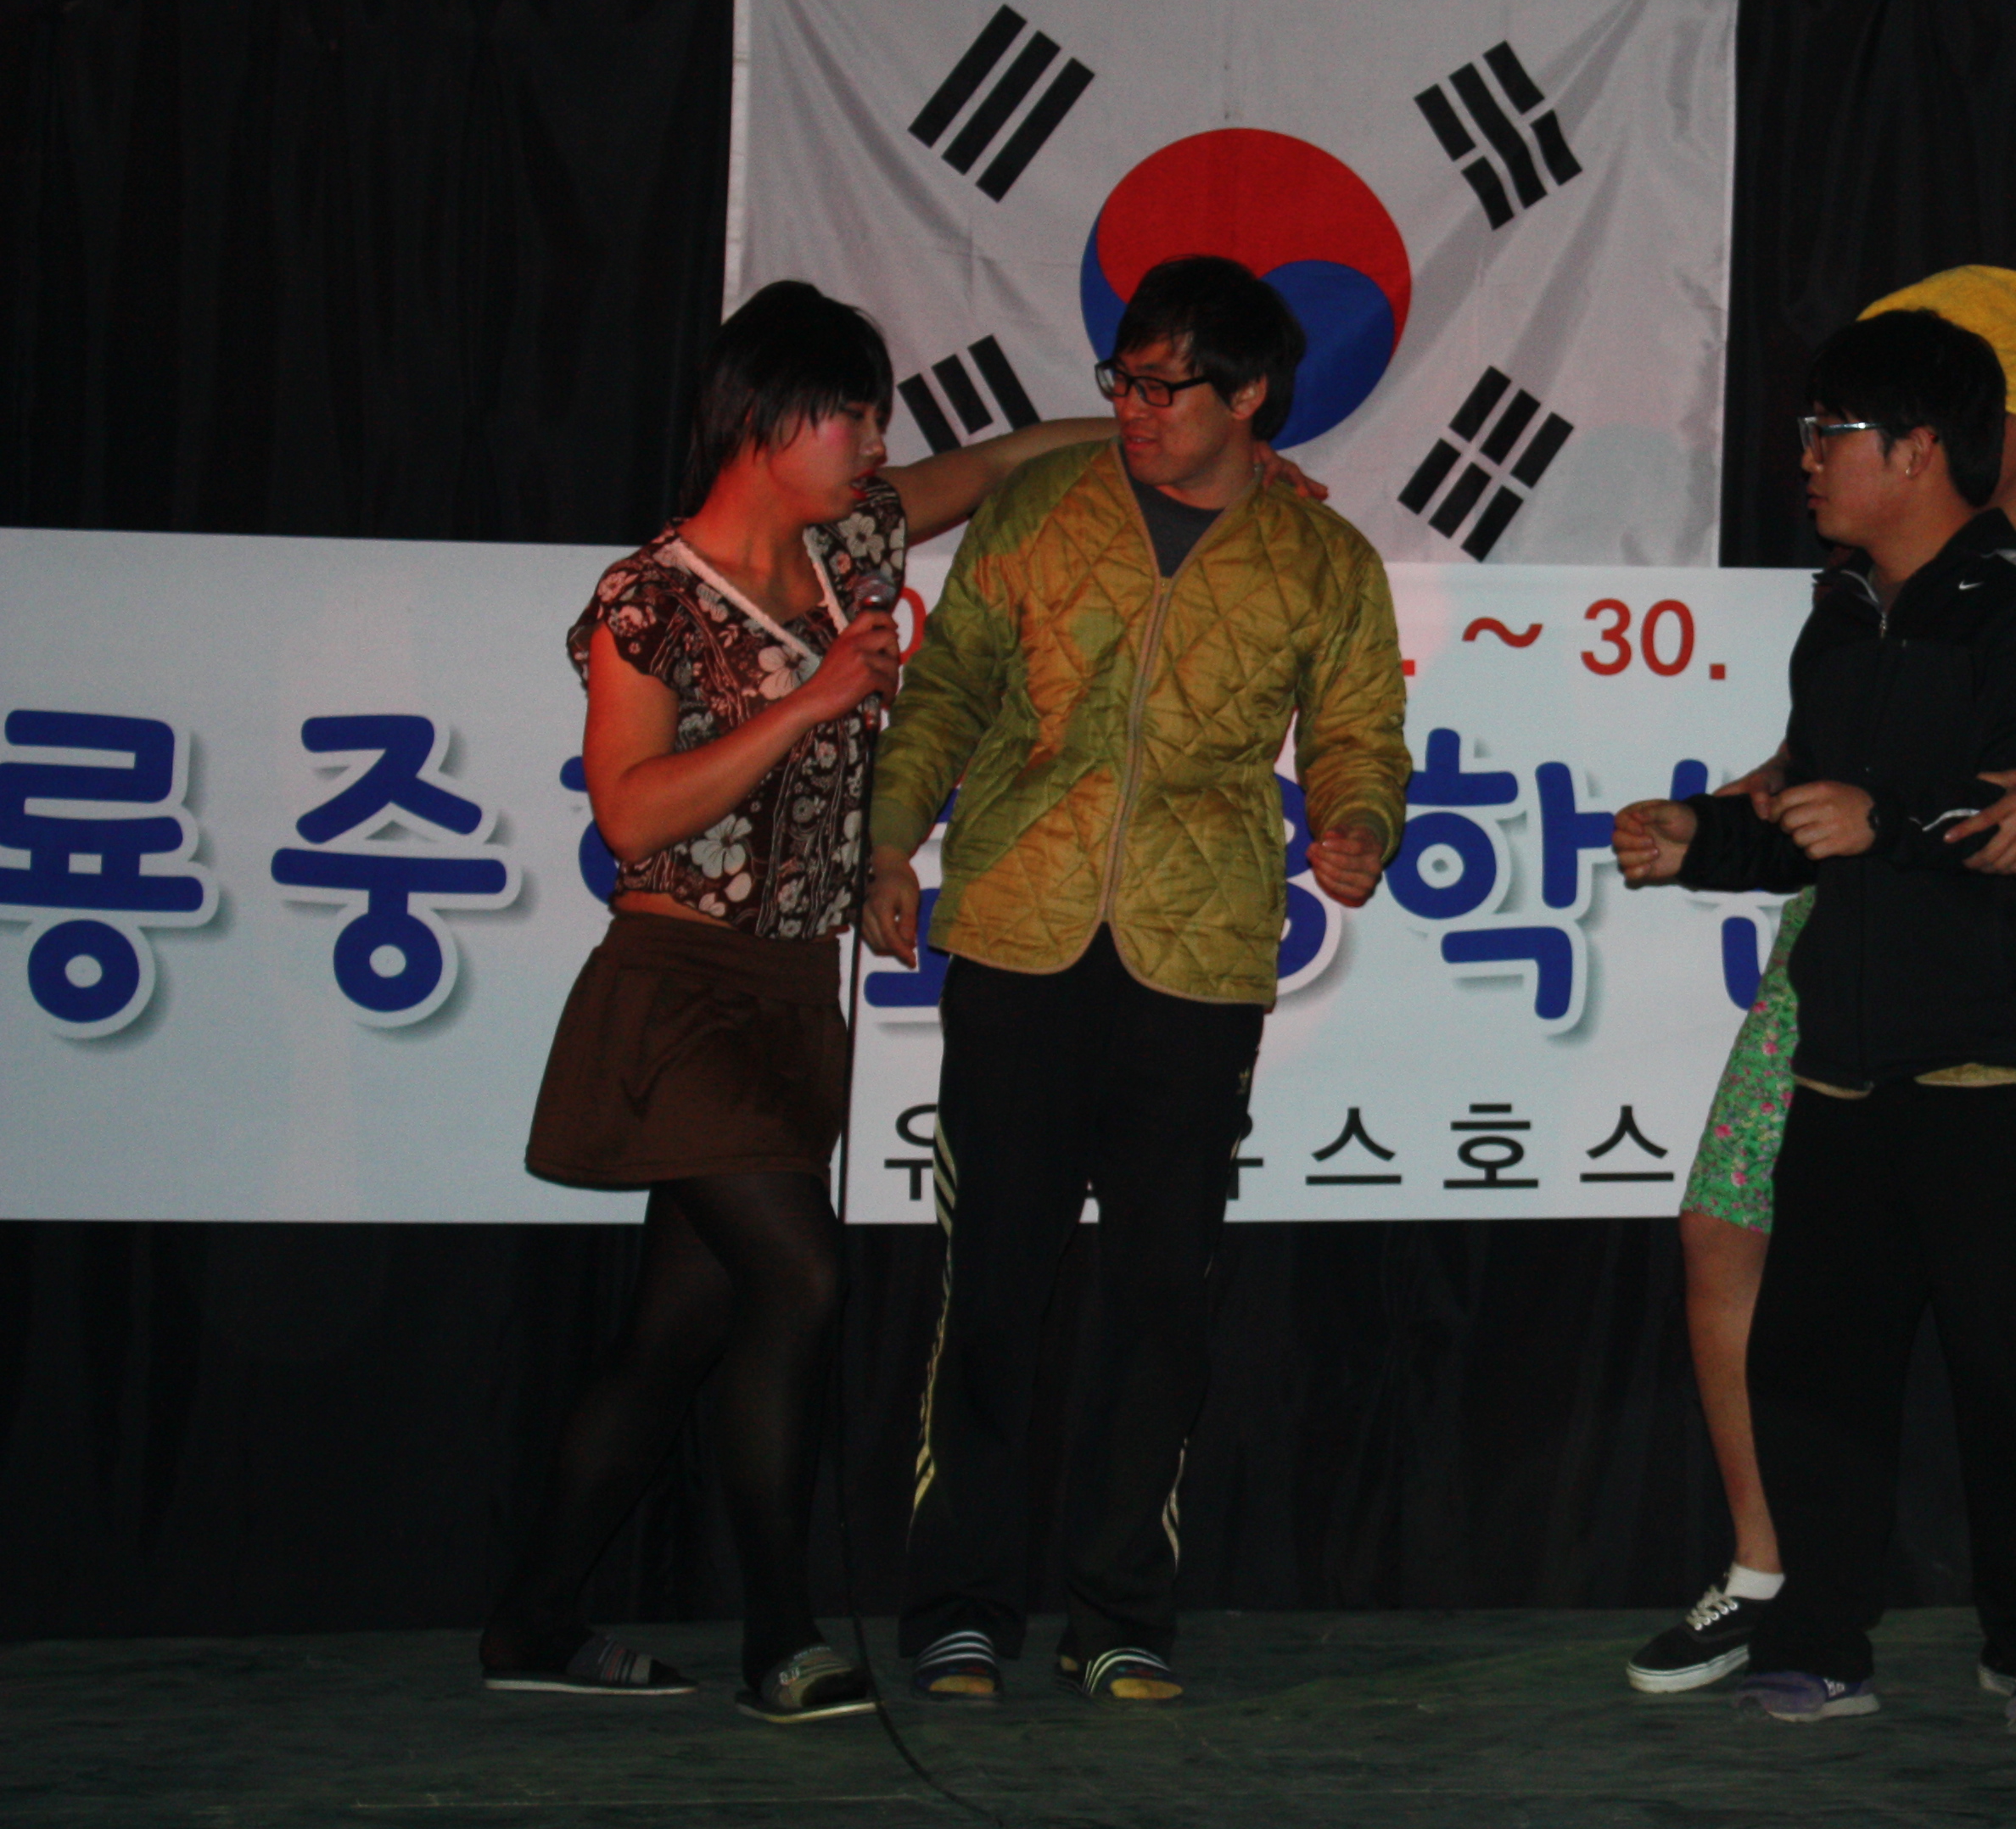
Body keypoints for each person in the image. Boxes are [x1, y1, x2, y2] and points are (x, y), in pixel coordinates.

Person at [497, 279, 1098, 1723]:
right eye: (854, 417)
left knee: (676, 1331)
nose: (876, 444)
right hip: (679, 991)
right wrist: (814, 700)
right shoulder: (650, 598)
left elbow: (1003, 462)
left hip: (788, 992)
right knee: (801, 1280)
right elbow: (632, 814)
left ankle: (532, 1619)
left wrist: (1164, 443)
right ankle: (783, 1636)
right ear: (770, 418)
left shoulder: (851, 541)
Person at [1625, 266, 2016, 1698]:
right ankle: (1815, 1639)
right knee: (1821, 1361)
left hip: (2004, 1046)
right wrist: (1704, 839)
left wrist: (1881, 819)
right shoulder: (1840, 614)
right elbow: (1808, 807)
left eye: (1830, 432)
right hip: (1848, 1045)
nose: (1806, 458)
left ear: (1920, 449)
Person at [858, 253, 1408, 1708]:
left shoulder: (1322, 560)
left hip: (1196, 956)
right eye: (1124, 379)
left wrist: (1360, 823)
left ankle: (1118, 1613)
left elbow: (1360, 731)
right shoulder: (1042, 509)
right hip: (1020, 933)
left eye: (1167, 387)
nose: (1135, 409)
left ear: (1250, 396)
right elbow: (947, 688)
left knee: (1163, 1295)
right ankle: (960, 1608)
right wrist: (890, 838)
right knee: (993, 1280)